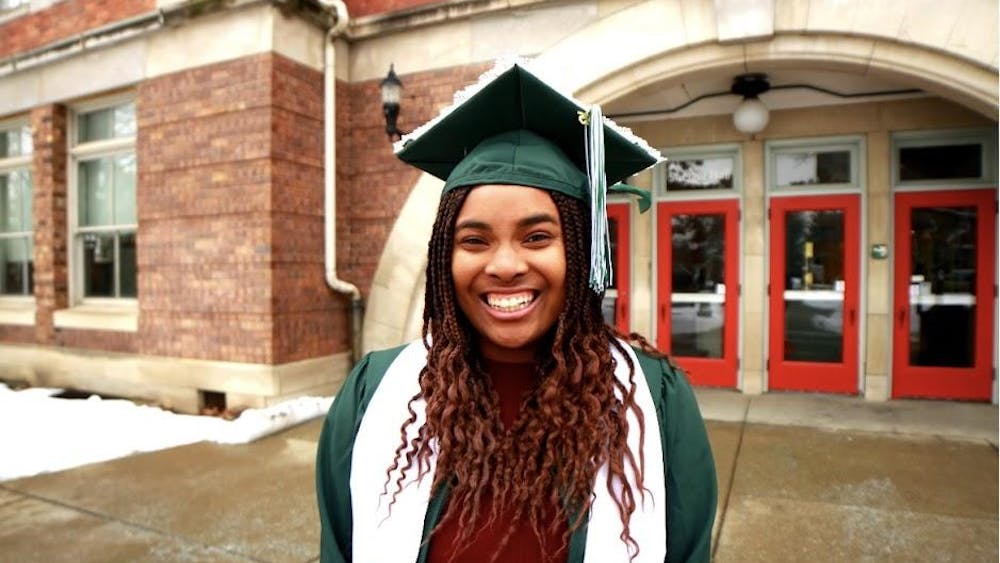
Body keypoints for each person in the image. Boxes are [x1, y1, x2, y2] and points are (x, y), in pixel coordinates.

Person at [316, 62, 717, 563]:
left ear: (580, 249)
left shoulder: (653, 401)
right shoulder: (374, 394)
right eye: (475, 240)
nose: (505, 265)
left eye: (537, 237)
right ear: (445, 256)